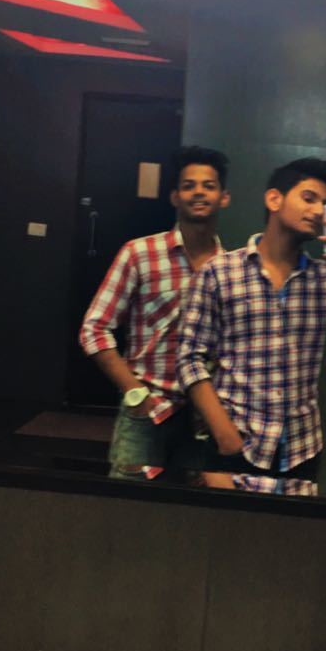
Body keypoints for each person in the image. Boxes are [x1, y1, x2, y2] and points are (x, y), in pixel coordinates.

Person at [176, 157, 326, 496]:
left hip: (301, 451)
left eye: (325, 203)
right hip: (234, 446)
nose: (319, 211)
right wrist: (223, 437)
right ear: (274, 199)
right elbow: (189, 359)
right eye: (309, 198)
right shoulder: (219, 273)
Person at [79, 145, 230, 480]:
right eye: (189, 186)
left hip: (203, 418)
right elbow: (94, 329)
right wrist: (135, 392)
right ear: (175, 197)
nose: (199, 192)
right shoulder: (139, 254)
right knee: (127, 506)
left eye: (209, 185)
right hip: (146, 413)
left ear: (224, 198)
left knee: (193, 509)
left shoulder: (231, 269)